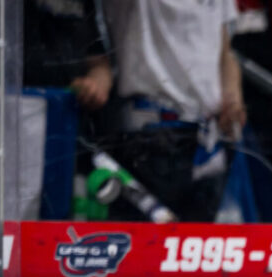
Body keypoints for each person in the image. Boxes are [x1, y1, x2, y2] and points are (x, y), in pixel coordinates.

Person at [101, 0, 247, 223]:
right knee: (148, 241)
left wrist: (233, 99)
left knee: (199, 239)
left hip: (209, 139)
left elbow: (225, 51)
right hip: (150, 135)